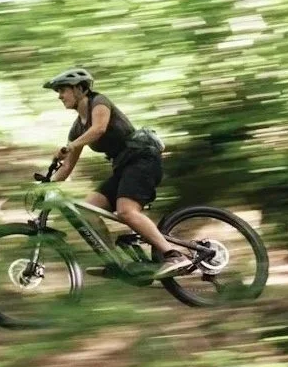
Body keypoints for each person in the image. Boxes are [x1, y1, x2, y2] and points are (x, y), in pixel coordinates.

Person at [43, 67, 194, 280]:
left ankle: (174, 255)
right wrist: (48, 185)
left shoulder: (99, 102)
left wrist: (69, 146)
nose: (59, 96)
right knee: (87, 211)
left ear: (79, 89)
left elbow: (99, 129)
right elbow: (67, 167)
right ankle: (114, 262)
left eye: (62, 90)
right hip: (123, 168)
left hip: (142, 159)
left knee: (126, 211)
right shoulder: (77, 128)